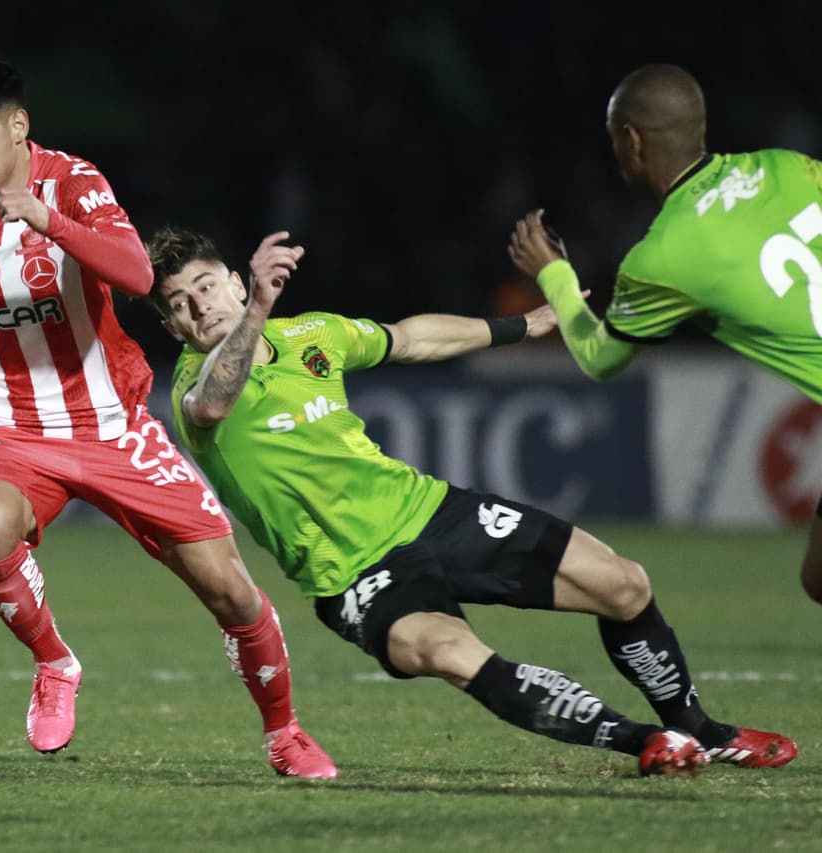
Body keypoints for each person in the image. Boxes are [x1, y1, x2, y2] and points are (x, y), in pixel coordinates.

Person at [0, 57, 336, 777]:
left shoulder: (74, 184)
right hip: (13, 428)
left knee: (231, 591)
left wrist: (45, 219)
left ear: (17, 127)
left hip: (112, 424)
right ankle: (54, 662)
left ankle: (284, 732)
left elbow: (138, 274)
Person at [147, 225, 798, 774]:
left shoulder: (313, 334)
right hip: (354, 575)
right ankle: (648, 742)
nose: (198, 306)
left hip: (430, 511)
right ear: (173, 326)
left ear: (235, 282)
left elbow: (411, 337)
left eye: (206, 286)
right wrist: (258, 309)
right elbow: (215, 401)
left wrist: (523, 325)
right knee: (452, 654)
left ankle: (701, 729)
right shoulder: (193, 389)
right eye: (179, 303)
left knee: (623, 583)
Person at [508, 63, 822, 605]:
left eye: (613, 139)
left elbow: (600, 357)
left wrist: (554, 275)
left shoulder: (665, 255)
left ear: (632, 141)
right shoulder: (787, 166)